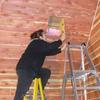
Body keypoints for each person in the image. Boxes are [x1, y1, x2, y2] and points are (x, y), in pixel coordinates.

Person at [14, 29, 66, 100]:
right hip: (26, 69)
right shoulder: (36, 42)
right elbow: (49, 47)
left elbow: (48, 52)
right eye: (44, 35)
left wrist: (60, 50)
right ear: (40, 36)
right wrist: (61, 40)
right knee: (20, 93)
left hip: (33, 70)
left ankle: (39, 90)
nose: (46, 36)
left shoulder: (39, 46)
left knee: (46, 72)